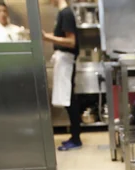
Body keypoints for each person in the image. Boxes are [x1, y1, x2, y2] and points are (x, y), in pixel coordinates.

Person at [43, 0, 82, 150]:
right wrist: (47, 35)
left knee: (69, 100)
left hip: (66, 60)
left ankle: (76, 139)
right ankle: (74, 136)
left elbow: (71, 42)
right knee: (68, 100)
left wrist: (47, 38)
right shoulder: (63, 13)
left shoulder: (66, 13)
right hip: (64, 60)